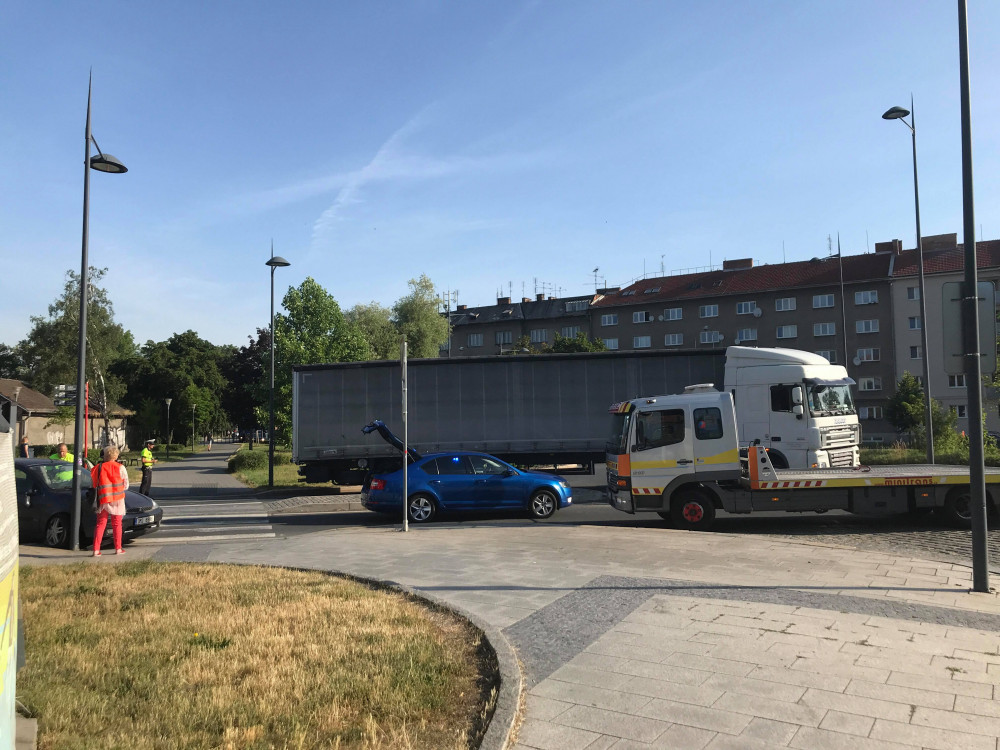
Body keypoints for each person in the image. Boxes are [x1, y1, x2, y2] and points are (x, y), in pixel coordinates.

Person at [91, 445, 128, 556]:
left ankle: (96, 550)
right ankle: (118, 548)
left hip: (103, 498)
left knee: (101, 524)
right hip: (117, 499)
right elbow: (126, 485)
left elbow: (93, 483)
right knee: (117, 524)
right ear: (116, 456)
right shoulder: (120, 467)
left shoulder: (98, 467)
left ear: (105, 456)